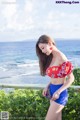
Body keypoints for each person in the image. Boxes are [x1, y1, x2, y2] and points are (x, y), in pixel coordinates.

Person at [36, 35, 74, 120]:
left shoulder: (61, 57)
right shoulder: (51, 57)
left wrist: (58, 92)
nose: (42, 51)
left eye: (43, 48)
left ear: (49, 43)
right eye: (41, 49)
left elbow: (71, 78)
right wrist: (47, 86)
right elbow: (55, 77)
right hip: (52, 91)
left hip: (59, 94)